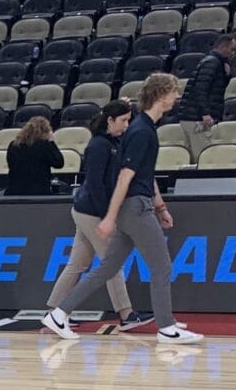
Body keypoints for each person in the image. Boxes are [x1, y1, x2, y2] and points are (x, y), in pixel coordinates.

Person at [42, 73, 204, 345]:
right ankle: (166, 327)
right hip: (134, 208)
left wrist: (161, 207)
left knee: (107, 268)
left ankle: (58, 313)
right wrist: (109, 217)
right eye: (174, 92)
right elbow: (125, 177)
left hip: (136, 206)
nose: (177, 97)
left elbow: (145, 173)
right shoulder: (141, 131)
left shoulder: (143, 127)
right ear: (162, 95)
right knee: (162, 265)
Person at [45, 101, 144, 331]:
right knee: (112, 263)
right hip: (91, 211)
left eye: (129, 120)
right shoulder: (99, 145)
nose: (127, 125)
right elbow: (96, 184)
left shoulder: (114, 142)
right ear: (110, 120)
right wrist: (106, 216)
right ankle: (126, 314)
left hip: (86, 210)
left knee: (77, 264)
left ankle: (53, 313)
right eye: (123, 121)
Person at [177, 34, 234, 160]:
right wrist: (205, 113)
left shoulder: (214, 62)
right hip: (196, 117)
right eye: (232, 49)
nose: (233, 53)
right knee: (203, 157)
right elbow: (200, 89)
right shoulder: (212, 62)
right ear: (224, 47)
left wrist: (227, 75)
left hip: (191, 116)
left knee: (192, 158)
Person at [3, 117, 64, 196]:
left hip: (14, 191)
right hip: (39, 193)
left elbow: (10, 163)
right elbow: (59, 163)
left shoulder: (14, 145)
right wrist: (51, 142)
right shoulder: (44, 145)